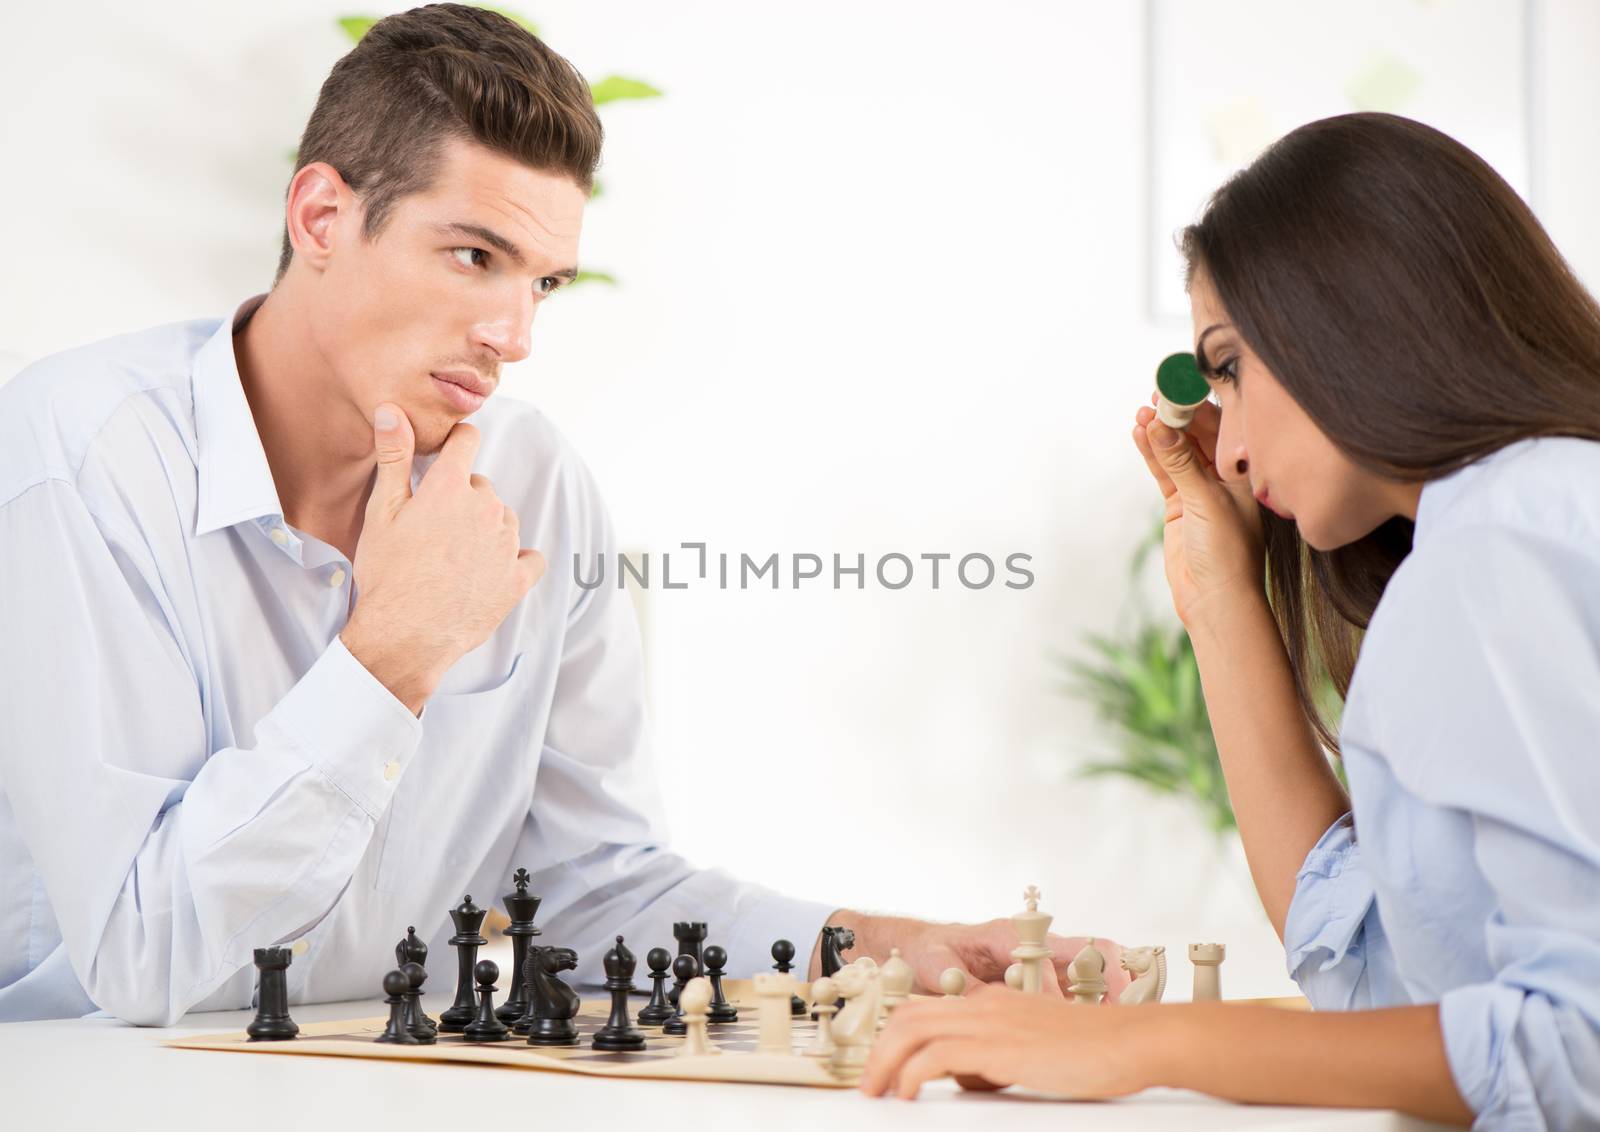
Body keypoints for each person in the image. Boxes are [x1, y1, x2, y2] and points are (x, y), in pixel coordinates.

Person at [0, 4, 1125, 1025]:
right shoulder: (81, 458)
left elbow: (595, 885)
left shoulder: (535, 480)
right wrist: (387, 657)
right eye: (474, 256)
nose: (514, 336)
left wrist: (879, 946)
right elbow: (141, 959)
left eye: (541, 283)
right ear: (321, 215)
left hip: (387, 1083)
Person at [863, 112, 1600, 1129]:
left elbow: (1574, 1045)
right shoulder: (1499, 532)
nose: (1232, 446)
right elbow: (1385, 980)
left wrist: (1135, 1042)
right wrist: (1218, 590)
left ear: (1351, 315)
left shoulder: (1500, 544)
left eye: (1231, 367)